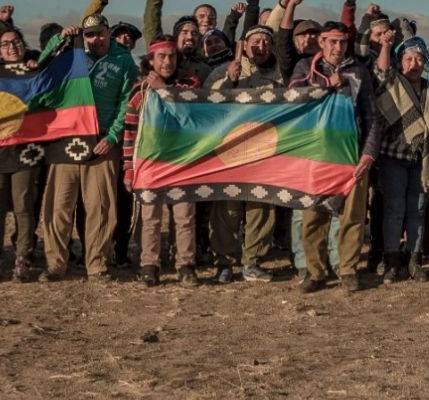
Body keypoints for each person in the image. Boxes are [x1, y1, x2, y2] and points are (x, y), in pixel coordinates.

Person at [38, 15, 135, 282]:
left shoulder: (124, 60)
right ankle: (56, 264)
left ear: (109, 32)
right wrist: (60, 38)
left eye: (100, 33)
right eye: (90, 35)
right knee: (60, 204)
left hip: (102, 140)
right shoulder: (72, 54)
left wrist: (113, 137)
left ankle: (97, 265)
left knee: (100, 206)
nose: (96, 39)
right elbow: (41, 65)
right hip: (66, 138)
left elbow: (126, 102)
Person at [290, 19, 381, 293]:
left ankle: (347, 269)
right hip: (316, 157)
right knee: (314, 216)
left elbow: (371, 116)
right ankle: (316, 272)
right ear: (321, 42)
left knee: (352, 216)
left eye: (343, 42)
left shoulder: (359, 71)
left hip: (351, 155)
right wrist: (326, 86)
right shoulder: (306, 68)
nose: (338, 47)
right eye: (332, 42)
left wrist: (368, 155)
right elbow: (294, 101)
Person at [206, 23, 289, 282]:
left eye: (266, 42)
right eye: (256, 42)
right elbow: (205, 103)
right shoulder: (225, 70)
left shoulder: (279, 75)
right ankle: (224, 262)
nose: (260, 46)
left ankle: (253, 261)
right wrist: (229, 80)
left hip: (265, 150)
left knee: (261, 207)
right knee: (227, 209)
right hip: (229, 150)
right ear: (246, 46)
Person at [124, 38, 204, 286]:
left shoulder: (190, 86)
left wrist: (162, 90)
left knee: (184, 217)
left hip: (182, 162)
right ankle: (150, 265)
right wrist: (128, 169)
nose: (167, 61)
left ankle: (185, 265)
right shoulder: (139, 92)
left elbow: (189, 118)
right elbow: (130, 132)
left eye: (171, 56)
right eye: (161, 57)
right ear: (150, 60)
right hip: (150, 164)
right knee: (151, 217)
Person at [0, 15, 43, 283]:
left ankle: (22, 258)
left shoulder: (34, 70)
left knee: (23, 207)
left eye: (16, 41)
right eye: (6, 44)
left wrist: (35, 64)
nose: (11, 46)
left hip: (26, 152)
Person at [371, 31, 429, 282]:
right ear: (400, 62)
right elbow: (381, 73)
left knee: (417, 209)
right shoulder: (393, 83)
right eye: (408, 59)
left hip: (422, 157)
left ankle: (415, 259)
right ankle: (391, 261)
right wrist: (386, 47)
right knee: (394, 209)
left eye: (419, 59)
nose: (414, 64)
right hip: (393, 155)